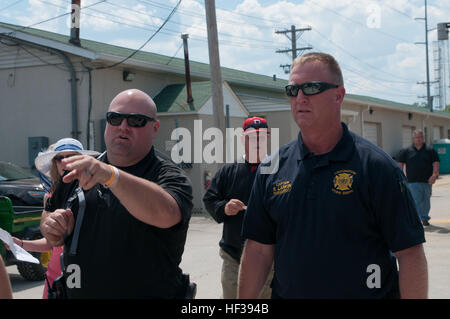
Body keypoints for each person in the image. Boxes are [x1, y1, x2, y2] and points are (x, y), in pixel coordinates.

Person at [238, 52, 428, 299]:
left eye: (312, 88)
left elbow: (410, 253)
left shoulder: (377, 168)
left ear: (338, 95)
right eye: (293, 90)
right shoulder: (271, 170)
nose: (300, 98)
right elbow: (258, 251)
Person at [40, 89, 194, 298]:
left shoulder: (168, 175)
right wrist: (52, 228)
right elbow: (49, 214)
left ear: (155, 127)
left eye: (136, 120)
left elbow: (167, 213)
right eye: (115, 118)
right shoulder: (78, 170)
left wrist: (111, 176)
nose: (123, 127)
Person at [7, 139, 99, 299]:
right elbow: (52, 243)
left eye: (71, 156)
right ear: (55, 163)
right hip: (55, 275)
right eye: (59, 158)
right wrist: (21, 244)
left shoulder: (96, 193)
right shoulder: (50, 196)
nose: (64, 162)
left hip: (82, 273)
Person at [203, 117, 274, 299]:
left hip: (270, 258)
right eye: (251, 137)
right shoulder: (229, 170)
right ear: (243, 139)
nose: (257, 142)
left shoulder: (279, 170)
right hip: (233, 256)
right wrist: (224, 207)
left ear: (268, 138)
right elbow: (210, 199)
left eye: (262, 137)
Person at [397, 130, 440, 226]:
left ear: (423, 138)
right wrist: (400, 177)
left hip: (427, 181)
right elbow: (400, 164)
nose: (418, 139)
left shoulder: (430, 150)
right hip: (412, 181)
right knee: (416, 200)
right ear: (413, 138)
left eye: (420, 137)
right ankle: (417, 218)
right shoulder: (406, 151)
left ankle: (424, 217)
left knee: (426, 200)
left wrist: (434, 175)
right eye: (416, 137)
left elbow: (436, 163)